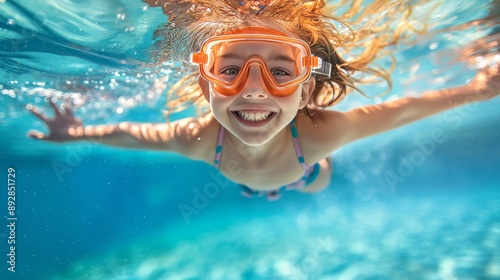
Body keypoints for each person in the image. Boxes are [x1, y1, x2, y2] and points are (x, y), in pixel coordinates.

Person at [27, 0, 499, 200]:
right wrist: (76, 132)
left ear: (306, 89)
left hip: (304, 170)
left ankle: (280, 186)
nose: (254, 88)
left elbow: (404, 111)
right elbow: (135, 135)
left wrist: (478, 88)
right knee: (253, 187)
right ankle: (259, 188)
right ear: (207, 85)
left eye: (281, 72)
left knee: (317, 184)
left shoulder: (317, 135)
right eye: (230, 70)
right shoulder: (199, 136)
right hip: (250, 176)